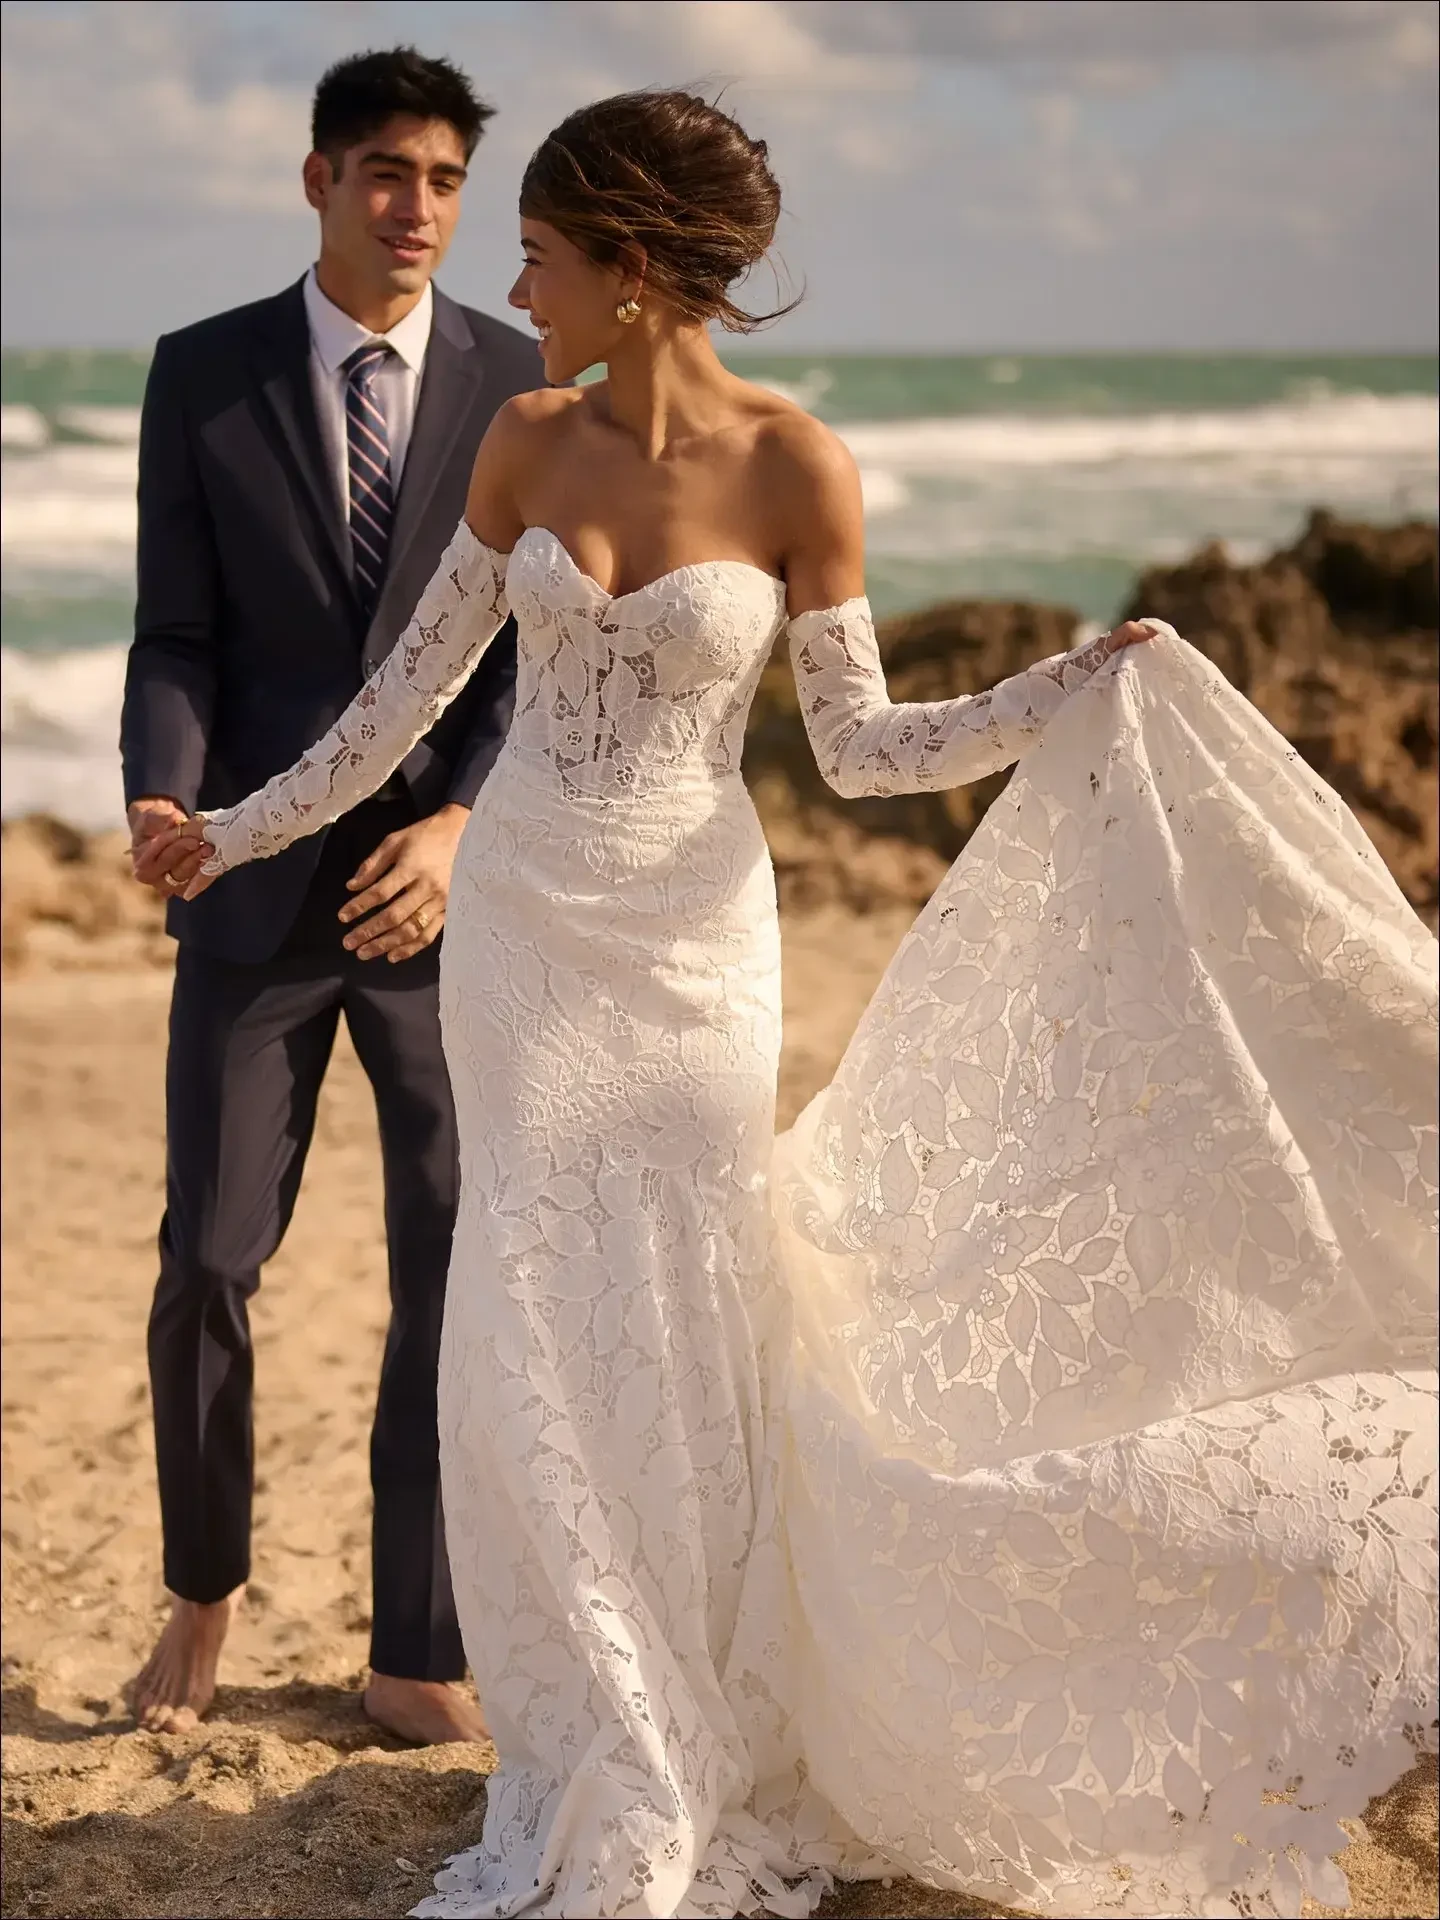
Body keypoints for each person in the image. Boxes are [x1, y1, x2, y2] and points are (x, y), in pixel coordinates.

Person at [142, 89, 1436, 1920]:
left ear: (638, 267)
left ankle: (699, 1704)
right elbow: (393, 719)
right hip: (523, 928)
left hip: (692, 949)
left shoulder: (798, 468)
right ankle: (597, 1721)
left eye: (542, 246)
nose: (511, 275)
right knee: (526, 1310)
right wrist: (228, 829)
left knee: (684, 1308)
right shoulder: (520, 439)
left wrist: (1063, 688)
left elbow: (857, 748)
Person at [120, 46, 546, 1745]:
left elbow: (533, 642)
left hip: (447, 906)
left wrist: (461, 837)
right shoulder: (202, 374)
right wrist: (166, 786)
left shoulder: (524, 384)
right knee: (209, 1262)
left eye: (445, 180)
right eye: (385, 172)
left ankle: (415, 1650)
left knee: (446, 1268)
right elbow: (180, 629)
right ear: (317, 181)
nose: (417, 208)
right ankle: (202, 1594)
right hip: (245, 894)